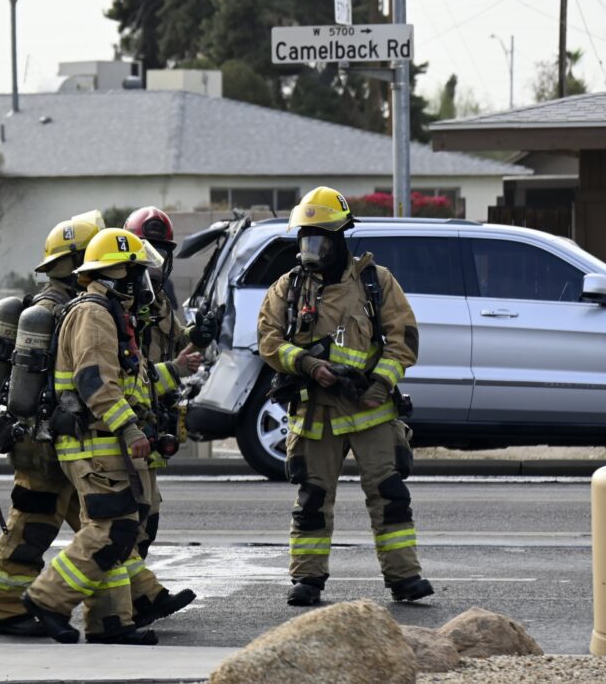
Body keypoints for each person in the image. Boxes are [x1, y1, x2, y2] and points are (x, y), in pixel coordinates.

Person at [257, 187, 433, 606]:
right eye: (305, 239)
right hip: (314, 413)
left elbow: (404, 340)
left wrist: (380, 385)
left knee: (390, 496)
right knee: (312, 500)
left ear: (339, 239)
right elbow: (268, 341)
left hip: (371, 411)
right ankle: (307, 579)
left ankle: (404, 577)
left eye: (319, 240)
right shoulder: (287, 288)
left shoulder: (376, 282)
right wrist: (308, 365)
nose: (310, 249)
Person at [23, 227, 166, 646]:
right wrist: (130, 427)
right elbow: (95, 381)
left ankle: (110, 622)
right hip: (94, 441)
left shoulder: (107, 311)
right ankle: (47, 598)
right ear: (118, 275)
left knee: (119, 531)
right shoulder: (95, 313)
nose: (142, 283)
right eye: (136, 274)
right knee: (109, 529)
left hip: (100, 441)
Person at [0, 212, 100, 637]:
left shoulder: (61, 308)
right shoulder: (58, 313)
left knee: (102, 526)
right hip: (43, 442)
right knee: (31, 527)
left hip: (54, 438)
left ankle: (138, 596)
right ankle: (5, 610)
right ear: (77, 262)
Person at [119, 206, 216, 627]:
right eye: (149, 251)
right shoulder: (119, 306)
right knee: (129, 520)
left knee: (148, 517)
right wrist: (174, 370)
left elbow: (177, 341)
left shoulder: (157, 300)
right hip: (124, 426)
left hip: (150, 421)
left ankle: (133, 597)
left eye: (162, 252)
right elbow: (125, 376)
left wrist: (200, 335)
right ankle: (130, 601)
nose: (156, 261)